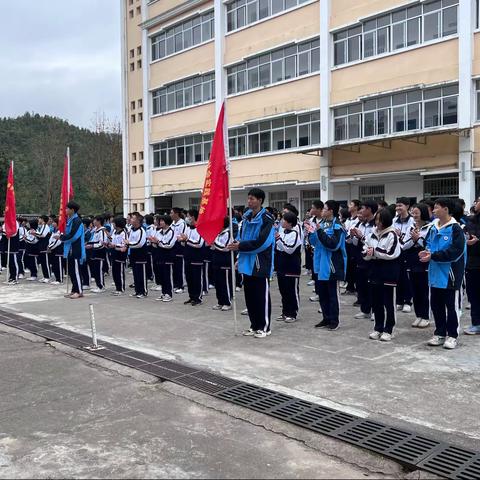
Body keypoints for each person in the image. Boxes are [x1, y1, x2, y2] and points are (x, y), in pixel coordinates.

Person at [227, 188, 275, 338]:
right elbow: (241, 237)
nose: (249, 201)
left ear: (260, 200)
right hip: (246, 261)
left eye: (252, 199)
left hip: (260, 263)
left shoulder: (267, 218)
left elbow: (263, 242)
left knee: (261, 296)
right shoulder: (246, 217)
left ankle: (265, 327)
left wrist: (240, 246)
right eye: (248, 198)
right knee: (250, 297)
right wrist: (238, 254)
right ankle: (254, 325)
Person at [419, 198, 466, 350]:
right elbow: (428, 244)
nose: (433, 210)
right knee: (436, 305)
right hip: (434, 274)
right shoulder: (433, 227)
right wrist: (426, 252)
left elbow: (456, 253)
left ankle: (452, 335)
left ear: (446, 209)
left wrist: (434, 256)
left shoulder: (456, 229)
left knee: (452, 307)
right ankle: (440, 333)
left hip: (450, 275)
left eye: (437, 208)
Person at [363, 209, 401, 341]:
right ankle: (378, 327)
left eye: (380, 219)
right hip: (374, 270)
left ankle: (389, 329)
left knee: (389, 302)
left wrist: (374, 252)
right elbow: (365, 250)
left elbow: (391, 253)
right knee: (376, 301)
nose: (377, 222)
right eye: (377, 219)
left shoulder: (392, 234)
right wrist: (369, 254)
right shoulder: (372, 234)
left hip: (389, 271)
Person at [309, 200, 346, 330]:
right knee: (322, 293)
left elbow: (333, 245)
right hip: (319, 264)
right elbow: (314, 242)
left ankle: (334, 320)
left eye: (324, 209)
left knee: (332, 294)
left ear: (331, 211)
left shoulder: (337, 226)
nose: (322, 211)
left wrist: (319, 232)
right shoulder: (322, 224)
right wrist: (311, 232)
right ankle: (326, 318)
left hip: (332, 266)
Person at [404, 203, 432, 328]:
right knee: (414, 290)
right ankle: (418, 315)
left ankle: (426, 316)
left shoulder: (430, 227)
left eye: (417, 213)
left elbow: (430, 246)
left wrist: (418, 240)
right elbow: (403, 245)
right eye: (413, 213)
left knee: (424, 290)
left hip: (424, 263)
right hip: (412, 262)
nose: (414, 215)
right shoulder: (410, 227)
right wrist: (413, 239)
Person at [350, 200, 377, 319]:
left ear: (370, 210)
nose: (361, 211)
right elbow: (355, 243)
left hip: (373, 258)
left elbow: (374, 241)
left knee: (373, 285)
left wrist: (361, 237)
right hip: (360, 258)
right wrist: (353, 236)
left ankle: (375, 310)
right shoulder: (361, 224)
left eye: (364, 208)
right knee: (361, 285)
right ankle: (365, 310)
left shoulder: (376, 223)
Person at [275, 211, 303, 323]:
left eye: (284, 220)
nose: (282, 221)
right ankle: (285, 312)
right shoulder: (282, 233)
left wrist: (279, 240)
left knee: (292, 290)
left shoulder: (294, 234)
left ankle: (293, 313)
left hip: (292, 267)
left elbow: (289, 249)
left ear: (290, 223)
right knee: (283, 291)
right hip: (282, 266)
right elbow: (279, 249)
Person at [58, 201, 86, 299]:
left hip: (75, 249)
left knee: (76, 271)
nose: (65, 210)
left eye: (67, 209)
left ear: (72, 210)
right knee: (72, 271)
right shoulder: (70, 220)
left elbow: (74, 236)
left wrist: (61, 237)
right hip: (70, 249)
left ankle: (79, 291)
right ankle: (74, 290)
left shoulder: (77, 221)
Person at [178, 209, 205, 306]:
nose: (187, 218)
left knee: (197, 278)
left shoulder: (200, 228)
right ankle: (191, 296)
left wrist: (186, 240)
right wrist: (182, 240)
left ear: (193, 217)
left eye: (188, 216)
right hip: (188, 256)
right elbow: (184, 242)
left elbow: (198, 243)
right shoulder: (188, 228)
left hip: (197, 257)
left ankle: (198, 298)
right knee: (189, 278)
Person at [393, 197, 415, 313]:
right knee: (398, 277)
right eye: (396, 206)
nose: (398, 208)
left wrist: (400, 235)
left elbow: (410, 237)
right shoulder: (394, 220)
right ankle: (399, 301)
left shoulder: (412, 221)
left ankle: (408, 301)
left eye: (400, 205)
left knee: (407, 278)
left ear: (407, 206)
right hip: (397, 252)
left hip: (408, 252)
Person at [211, 216, 237, 311]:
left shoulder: (228, 233)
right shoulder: (218, 233)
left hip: (225, 262)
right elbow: (214, 247)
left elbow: (225, 247)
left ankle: (227, 302)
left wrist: (213, 242)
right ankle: (220, 301)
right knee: (218, 283)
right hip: (217, 260)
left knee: (225, 283)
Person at [464, 196, 480, 335]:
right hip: (472, 263)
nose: (476, 203)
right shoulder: (471, 221)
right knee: (473, 294)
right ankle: (476, 323)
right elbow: (465, 237)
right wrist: (467, 242)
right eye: (477, 200)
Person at [151, 215, 176, 302]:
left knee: (167, 276)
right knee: (161, 276)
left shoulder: (172, 232)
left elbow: (169, 245)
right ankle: (163, 293)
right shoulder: (159, 231)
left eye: (162, 221)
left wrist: (157, 242)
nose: (160, 222)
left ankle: (169, 294)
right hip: (159, 256)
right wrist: (153, 242)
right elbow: (155, 244)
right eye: (160, 221)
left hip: (168, 257)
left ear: (167, 222)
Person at [126, 212, 148, 298]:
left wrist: (129, 244)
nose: (131, 220)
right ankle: (137, 291)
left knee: (141, 273)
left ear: (138, 221)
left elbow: (140, 243)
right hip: (133, 254)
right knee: (135, 273)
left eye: (133, 218)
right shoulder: (132, 229)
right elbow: (129, 240)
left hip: (141, 255)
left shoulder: (141, 230)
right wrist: (127, 244)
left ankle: (143, 291)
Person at [87, 215, 108, 293]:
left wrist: (91, 246)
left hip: (100, 252)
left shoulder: (102, 231)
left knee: (99, 270)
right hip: (95, 252)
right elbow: (93, 241)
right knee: (96, 270)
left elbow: (101, 244)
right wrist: (89, 244)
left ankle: (101, 286)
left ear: (99, 221)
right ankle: (98, 285)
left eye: (95, 220)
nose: (93, 221)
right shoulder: (96, 230)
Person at [344, 199, 360, 295]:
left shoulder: (358, 220)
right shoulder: (348, 219)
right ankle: (350, 287)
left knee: (354, 266)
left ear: (356, 207)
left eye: (351, 204)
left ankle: (356, 287)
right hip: (347, 244)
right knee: (348, 265)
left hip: (354, 244)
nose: (349, 206)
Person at [109, 217, 128, 296]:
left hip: (120, 254)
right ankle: (117, 287)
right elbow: (112, 239)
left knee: (120, 271)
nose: (113, 224)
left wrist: (115, 245)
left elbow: (124, 244)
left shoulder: (123, 233)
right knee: (114, 271)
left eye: (114, 223)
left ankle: (121, 288)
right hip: (114, 253)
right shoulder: (114, 232)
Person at [170, 207, 187, 294]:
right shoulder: (172, 223)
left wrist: (177, 239)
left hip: (179, 247)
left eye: (172, 213)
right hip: (172, 247)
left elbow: (182, 236)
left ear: (176, 214)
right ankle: (176, 284)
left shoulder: (182, 223)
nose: (170, 214)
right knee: (174, 267)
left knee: (180, 267)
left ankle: (181, 286)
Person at [48, 217, 64, 285]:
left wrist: (49, 247)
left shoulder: (60, 231)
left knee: (59, 265)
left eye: (54, 222)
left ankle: (60, 279)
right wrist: (49, 246)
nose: (53, 223)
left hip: (59, 250)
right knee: (55, 265)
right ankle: (57, 278)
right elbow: (51, 240)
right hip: (53, 250)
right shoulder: (54, 230)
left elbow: (58, 241)